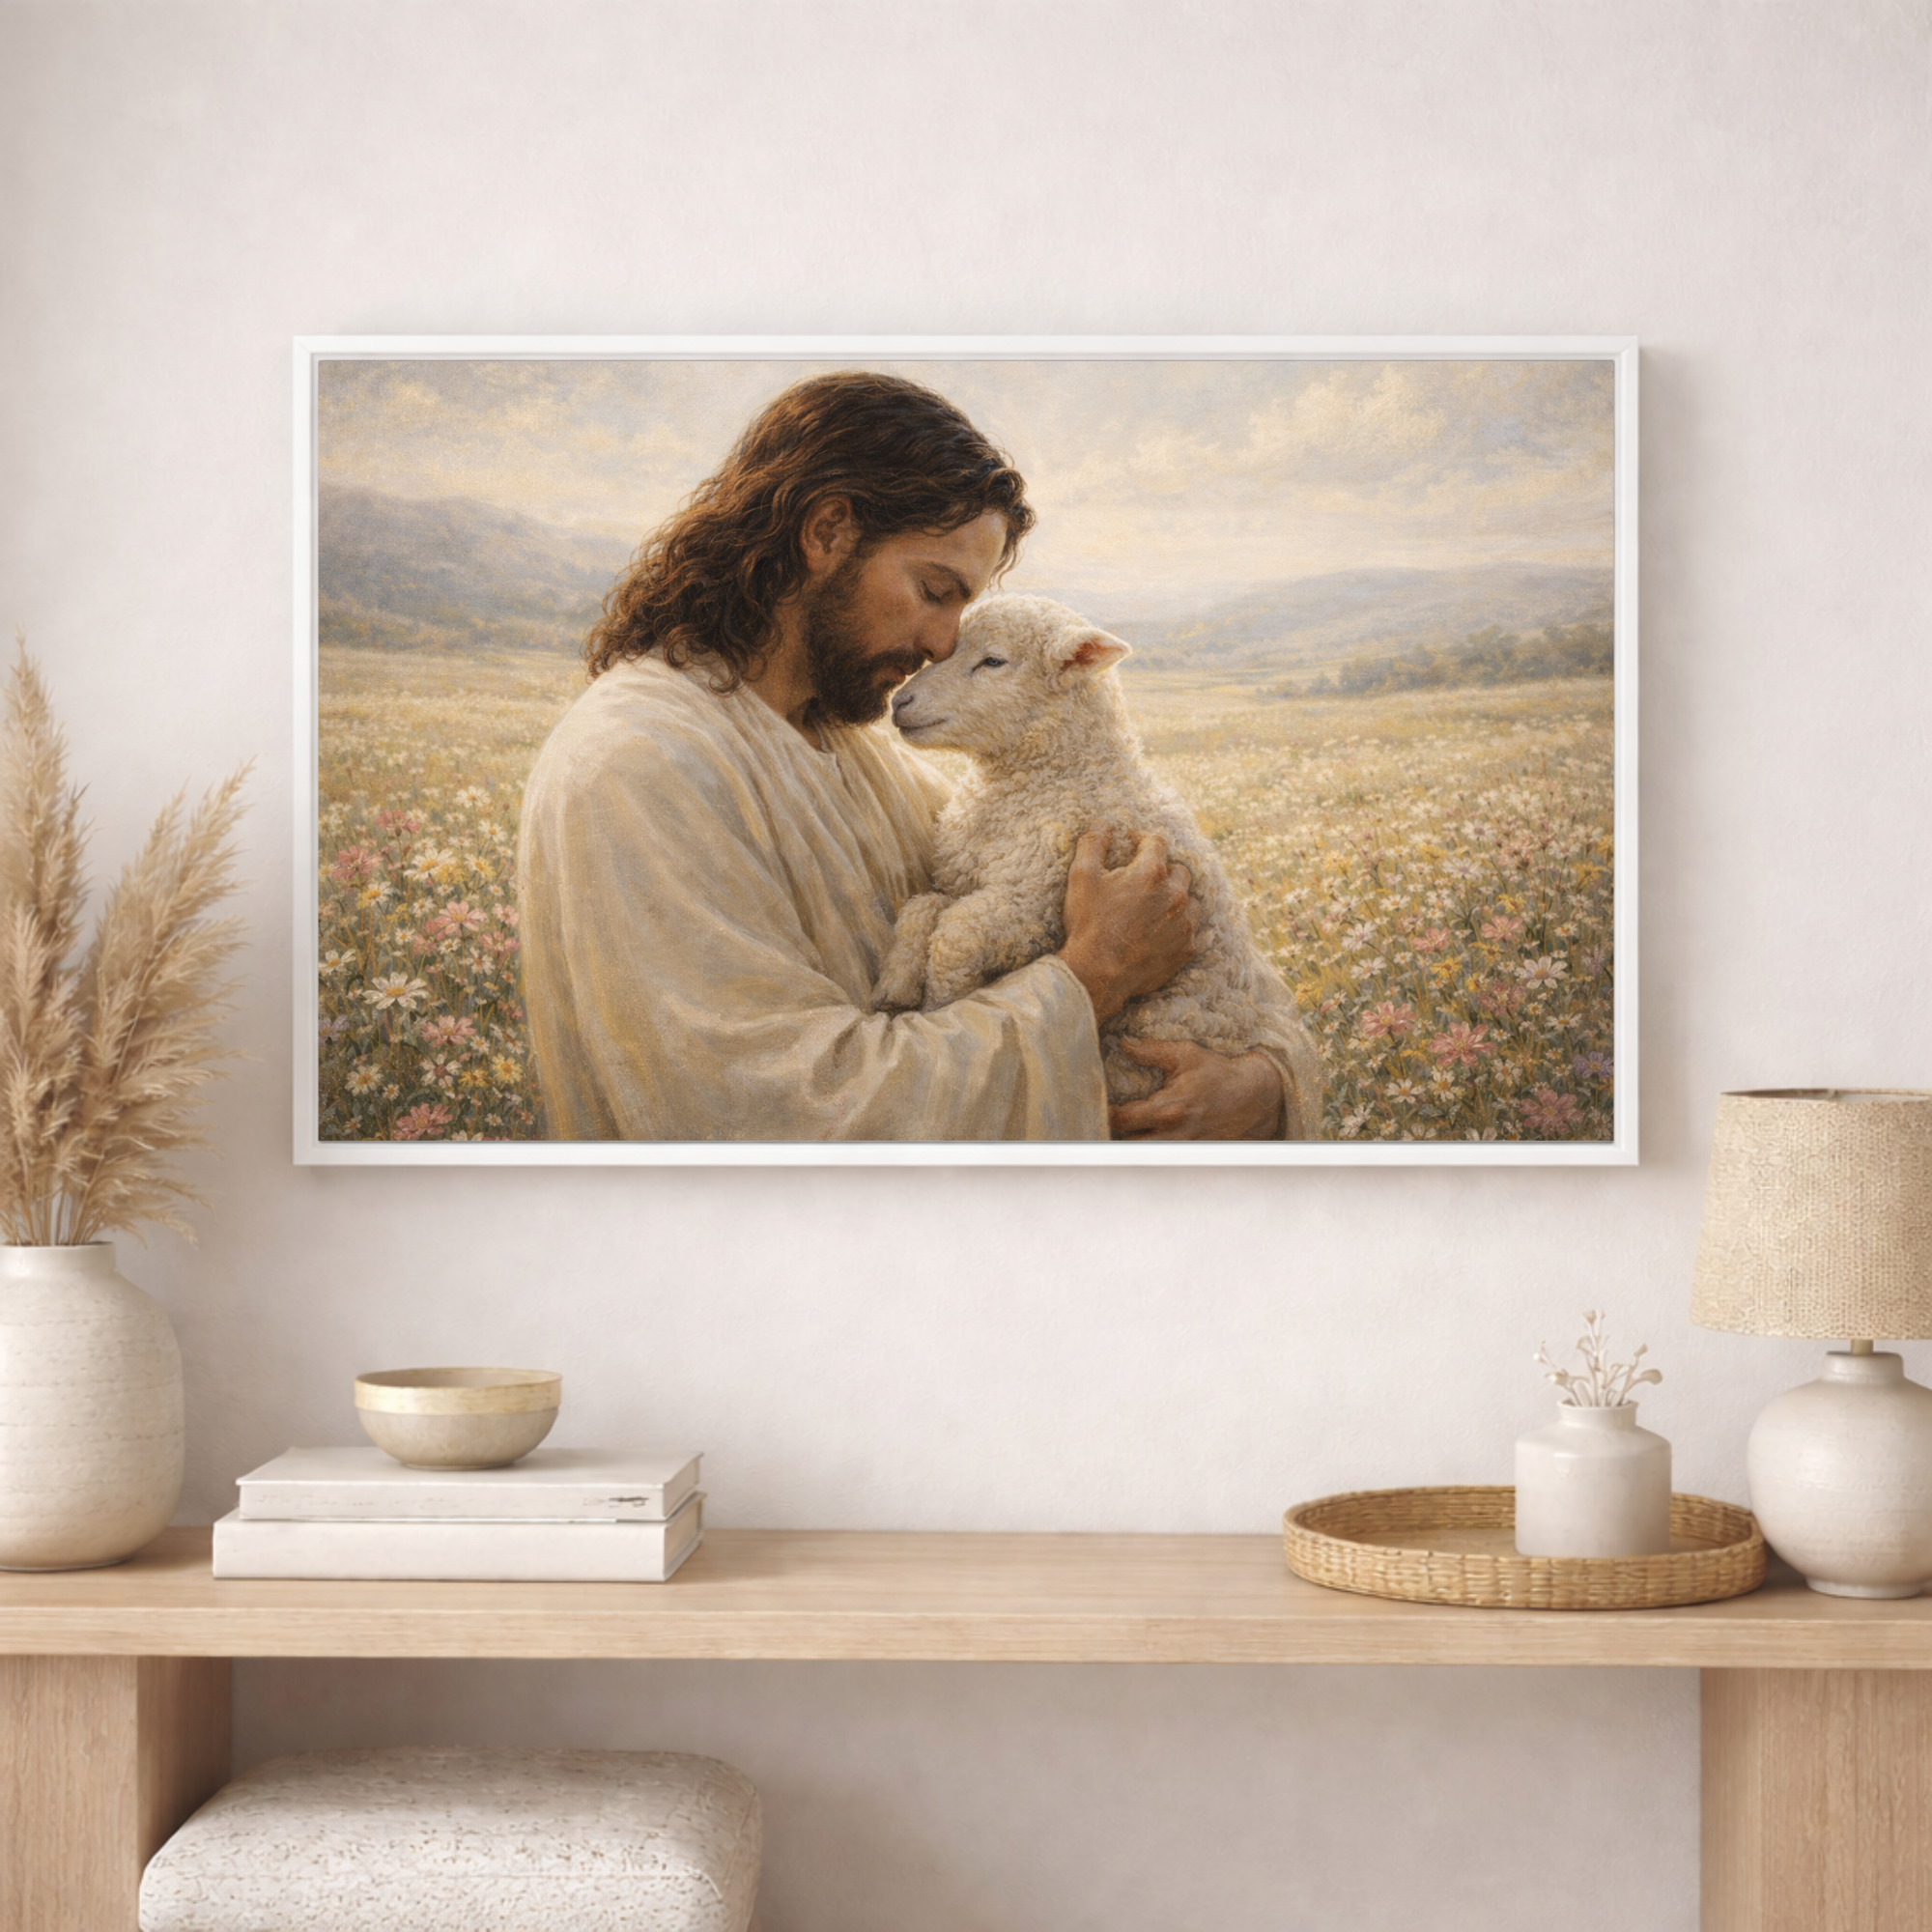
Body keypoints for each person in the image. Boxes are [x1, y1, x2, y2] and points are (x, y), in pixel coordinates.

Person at [517, 371, 1318, 1142]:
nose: (942, 643)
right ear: (827, 533)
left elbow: (1232, 976)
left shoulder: (864, 757)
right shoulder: (636, 764)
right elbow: (770, 1110)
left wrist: (1258, 1088)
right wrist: (1093, 978)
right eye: (934, 592)